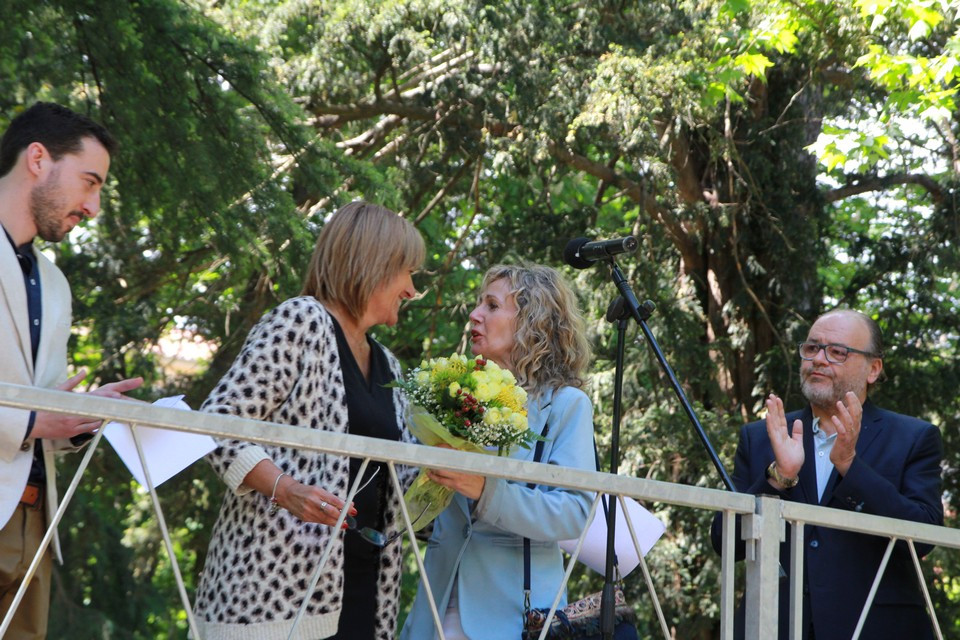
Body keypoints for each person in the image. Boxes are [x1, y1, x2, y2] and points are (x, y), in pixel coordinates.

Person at [193, 201, 425, 640]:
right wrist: (286, 489)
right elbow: (216, 425)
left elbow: (401, 488)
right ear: (375, 264)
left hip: (363, 595)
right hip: (272, 598)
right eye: (407, 273)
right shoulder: (301, 321)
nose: (412, 290)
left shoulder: (390, 366)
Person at [0, 102, 143, 639]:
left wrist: (81, 416)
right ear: (38, 159)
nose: (94, 206)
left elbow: (42, 412)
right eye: (89, 182)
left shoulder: (56, 284)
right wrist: (34, 421)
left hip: (34, 523)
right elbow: (29, 418)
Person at [711, 309, 943, 640]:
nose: (818, 360)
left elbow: (923, 538)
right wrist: (778, 477)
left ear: (873, 369)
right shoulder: (763, 436)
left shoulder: (912, 438)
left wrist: (850, 466)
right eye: (812, 348)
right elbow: (725, 542)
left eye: (837, 352)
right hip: (776, 627)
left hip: (873, 628)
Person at [401, 264, 596, 640]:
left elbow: (573, 514)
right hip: (434, 610)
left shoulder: (566, 405)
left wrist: (485, 490)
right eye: (479, 304)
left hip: (515, 618)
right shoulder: (457, 395)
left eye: (491, 305)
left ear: (532, 323)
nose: (475, 315)